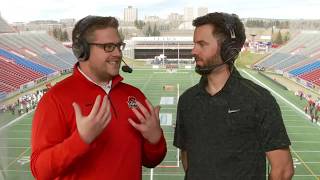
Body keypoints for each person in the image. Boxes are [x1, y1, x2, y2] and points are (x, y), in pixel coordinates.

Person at [31, 15, 167, 180]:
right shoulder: (55, 99)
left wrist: (154, 139)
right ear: (83, 51)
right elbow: (40, 171)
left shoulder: (134, 95)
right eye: (109, 47)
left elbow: (151, 160)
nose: (118, 53)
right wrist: (80, 140)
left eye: (119, 46)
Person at [173, 12, 294, 180]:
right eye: (194, 44)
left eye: (202, 44)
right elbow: (187, 160)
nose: (193, 51)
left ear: (227, 49)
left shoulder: (259, 99)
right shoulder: (187, 100)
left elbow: (283, 170)